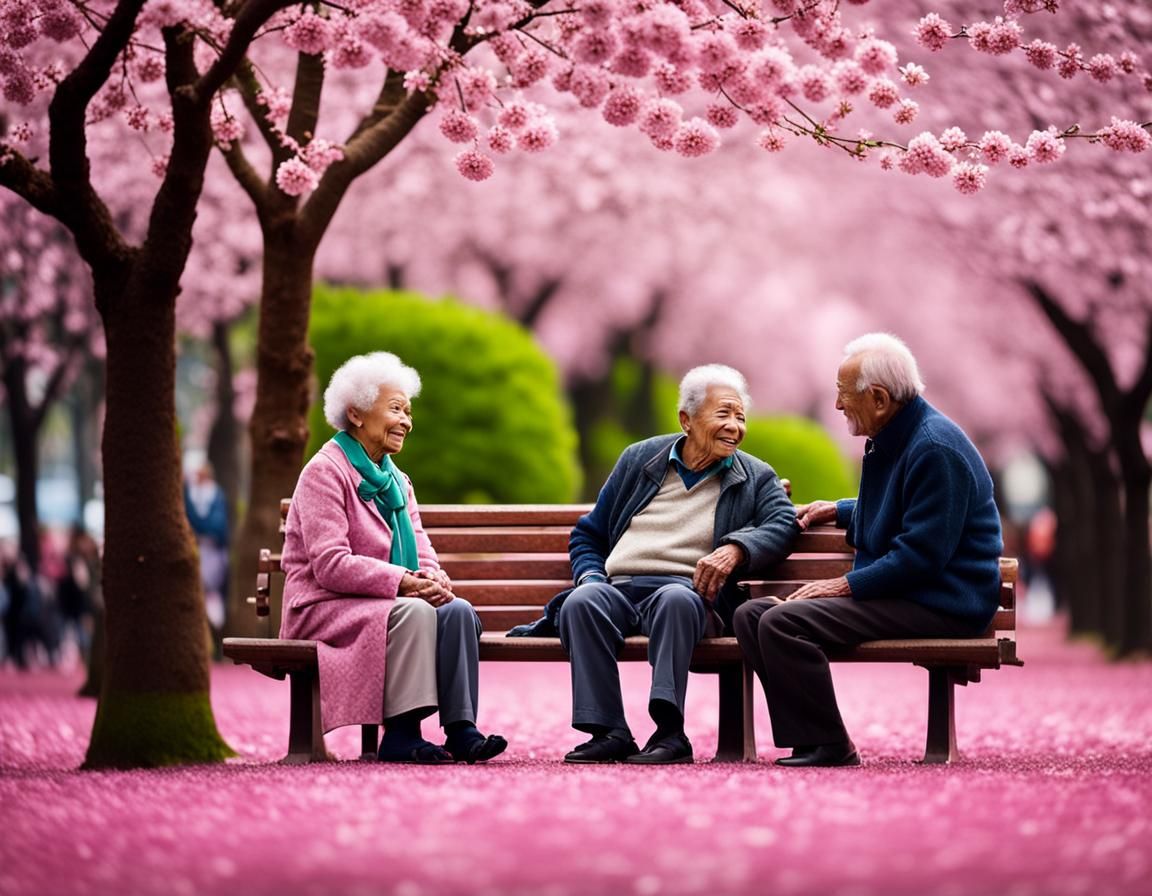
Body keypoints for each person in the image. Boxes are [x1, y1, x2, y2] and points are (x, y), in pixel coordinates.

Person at [734, 333, 1003, 767]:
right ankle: (809, 739)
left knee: (782, 622)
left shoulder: (934, 448)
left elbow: (921, 556)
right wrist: (838, 510)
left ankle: (832, 745)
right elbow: (905, 505)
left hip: (942, 599)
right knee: (751, 615)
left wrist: (843, 585)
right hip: (914, 592)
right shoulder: (900, 434)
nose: (838, 406)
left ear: (878, 398)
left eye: (843, 395)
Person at [553, 364, 797, 764]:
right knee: (582, 602)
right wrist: (591, 578)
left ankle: (670, 732)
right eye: (723, 414)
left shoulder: (755, 476)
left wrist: (736, 548)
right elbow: (588, 534)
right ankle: (608, 731)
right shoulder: (639, 459)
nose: (734, 427)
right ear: (687, 419)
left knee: (675, 599)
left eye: (740, 417)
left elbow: (783, 522)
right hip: (619, 589)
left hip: (688, 596)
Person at [281, 351, 506, 764]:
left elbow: (420, 545)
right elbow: (329, 564)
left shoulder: (397, 480)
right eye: (396, 409)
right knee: (414, 613)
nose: (406, 420)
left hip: (379, 601)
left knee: (456, 611)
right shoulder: (324, 472)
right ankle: (402, 733)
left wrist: (434, 579)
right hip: (324, 606)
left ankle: (461, 730)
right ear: (357, 414)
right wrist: (403, 581)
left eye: (408, 411)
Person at [184, 460, 230, 632]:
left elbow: (216, 527)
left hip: (213, 554)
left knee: (211, 594)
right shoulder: (194, 495)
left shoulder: (215, 495)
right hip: (200, 550)